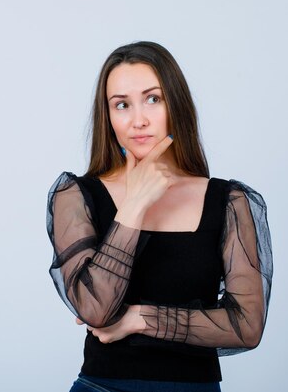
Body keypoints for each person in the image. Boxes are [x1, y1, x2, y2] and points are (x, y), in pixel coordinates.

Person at [46, 41, 273, 392]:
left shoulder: (228, 201)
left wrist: (139, 320)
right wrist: (134, 204)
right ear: (108, 117)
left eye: (153, 99)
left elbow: (246, 326)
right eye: (121, 105)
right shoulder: (77, 195)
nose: (139, 120)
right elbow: (96, 311)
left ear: (175, 105)